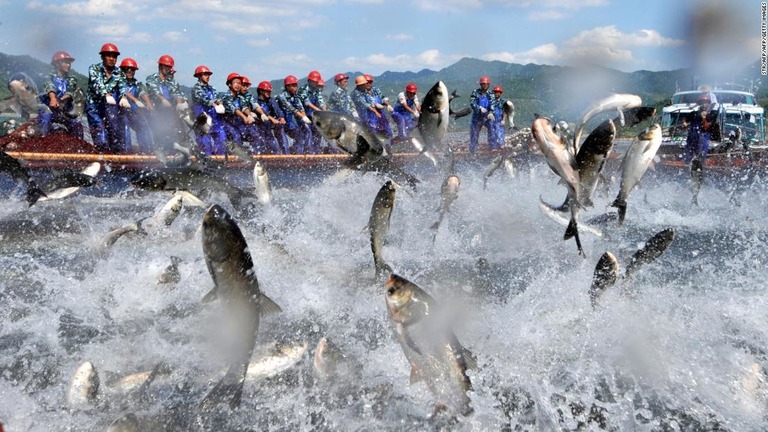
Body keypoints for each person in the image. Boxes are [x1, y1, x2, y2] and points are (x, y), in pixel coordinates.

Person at [86, 43, 127, 153]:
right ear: (102, 57)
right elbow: (97, 83)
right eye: (109, 56)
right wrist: (106, 94)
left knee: (115, 132)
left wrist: (124, 97)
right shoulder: (94, 68)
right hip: (94, 106)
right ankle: (101, 157)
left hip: (109, 107)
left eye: (114, 57)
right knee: (100, 134)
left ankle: (116, 159)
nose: (112, 59)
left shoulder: (119, 73)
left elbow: (123, 85)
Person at [145, 54, 187, 153]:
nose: (168, 69)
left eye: (170, 67)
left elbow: (177, 93)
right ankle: (158, 152)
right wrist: (162, 99)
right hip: (155, 110)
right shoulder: (151, 78)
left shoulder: (170, 81)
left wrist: (179, 103)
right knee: (159, 132)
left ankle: (173, 153)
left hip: (169, 111)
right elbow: (154, 90)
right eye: (166, 66)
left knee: (175, 130)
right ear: (160, 66)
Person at [38, 50, 83, 139]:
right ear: (57, 64)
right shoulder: (47, 76)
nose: (69, 65)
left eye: (69, 63)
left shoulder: (72, 78)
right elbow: (49, 86)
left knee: (76, 123)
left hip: (66, 111)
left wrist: (61, 101)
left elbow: (70, 91)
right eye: (66, 62)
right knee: (45, 119)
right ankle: (43, 141)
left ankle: (79, 144)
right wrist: (53, 99)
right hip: (49, 109)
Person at [118, 58, 154, 153]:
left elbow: (143, 93)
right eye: (127, 69)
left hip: (133, 111)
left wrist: (148, 103)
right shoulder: (118, 80)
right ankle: (126, 152)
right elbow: (125, 91)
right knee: (125, 128)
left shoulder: (137, 83)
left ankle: (146, 150)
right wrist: (135, 100)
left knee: (143, 125)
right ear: (123, 70)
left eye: (132, 70)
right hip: (121, 112)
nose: (130, 72)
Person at [190, 65, 227, 155]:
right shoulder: (196, 88)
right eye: (205, 74)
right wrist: (214, 105)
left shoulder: (212, 88)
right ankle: (206, 162)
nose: (208, 76)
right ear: (199, 76)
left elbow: (218, 97)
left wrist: (220, 105)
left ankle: (221, 161)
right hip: (202, 120)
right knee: (205, 143)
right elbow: (204, 99)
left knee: (222, 140)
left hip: (215, 120)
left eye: (208, 74)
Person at [277, 75, 312, 154]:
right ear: (287, 87)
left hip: (289, 123)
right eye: (293, 86)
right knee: (284, 142)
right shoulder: (281, 96)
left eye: (296, 85)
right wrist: (303, 116)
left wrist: (305, 117)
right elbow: (291, 108)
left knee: (300, 135)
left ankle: (297, 153)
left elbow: (300, 108)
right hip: (280, 122)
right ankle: (285, 157)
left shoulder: (296, 97)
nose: (295, 88)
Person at [220, 72, 255, 150]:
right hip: (226, 124)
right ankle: (236, 158)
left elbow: (244, 107)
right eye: (235, 83)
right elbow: (234, 109)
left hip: (237, 123)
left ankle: (254, 156)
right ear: (229, 84)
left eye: (239, 83)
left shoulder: (240, 97)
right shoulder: (226, 96)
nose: (238, 85)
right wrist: (244, 117)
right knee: (236, 136)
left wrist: (249, 115)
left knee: (252, 133)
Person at [682, 93, 719, 166]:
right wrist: (684, 123)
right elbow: (685, 118)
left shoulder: (711, 115)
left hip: (703, 139)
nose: (704, 104)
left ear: (708, 104)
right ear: (699, 104)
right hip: (691, 138)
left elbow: (707, 127)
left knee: (700, 157)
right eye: (702, 102)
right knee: (687, 158)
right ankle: (685, 172)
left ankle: (699, 171)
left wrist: (704, 118)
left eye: (705, 102)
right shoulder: (694, 113)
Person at [298, 70, 328, 153]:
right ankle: (306, 153)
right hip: (302, 115)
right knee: (307, 132)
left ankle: (316, 151)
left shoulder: (317, 90)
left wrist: (324, 110)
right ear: (310, 81)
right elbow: (307, 103)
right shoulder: (303, 89)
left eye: (317, 81)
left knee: (318, 131)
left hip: (312, 115)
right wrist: (318, 109)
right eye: (315, 81)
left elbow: (320, 101)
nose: (316, 83)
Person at [254, 81, 284, 154]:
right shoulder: (255, 101)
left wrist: (281, 117)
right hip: (260, 126)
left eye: (269, 91)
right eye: (266, 91)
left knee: (281, 131)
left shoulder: (271, 100)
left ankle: (285, 154)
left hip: (269, 125)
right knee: (265, 142)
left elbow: (277, 109)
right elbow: (263, 111)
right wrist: (272, 118)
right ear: (261, 91)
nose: (269, 92)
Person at [469, 75, 496, 153]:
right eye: (483, 84)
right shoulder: (475, 92)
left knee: (492, 128)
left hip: (487, 116)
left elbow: (493, 103)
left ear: (489, 84)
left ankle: (492, 148)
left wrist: (491, 112)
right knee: (474, 133)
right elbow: (472, 103)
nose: (485, 85)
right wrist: (479, 108)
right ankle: (473, 151)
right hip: (477, 116)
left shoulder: (491, 93)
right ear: (480, 84)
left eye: (487, 84)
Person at [364, 74, 393, 140]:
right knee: (374, 133)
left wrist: (388, 104)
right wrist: (375, 104)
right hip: (370, 116)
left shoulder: (375, 90)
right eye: (367, 82)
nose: (368, 84)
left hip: (380, 114)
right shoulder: (361, 93)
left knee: (387, 131)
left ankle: (389, 147)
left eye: (370, 82)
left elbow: (383, 98)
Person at [488, 85, 507, 149]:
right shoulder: (490, 101)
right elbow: (487, 110)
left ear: (500, 93)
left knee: (500, 134)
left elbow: (505, 112)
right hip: (491, 121)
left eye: (498, 92)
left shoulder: (503, 101)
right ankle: (493, 148)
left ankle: (501, 147)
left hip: (499, 121)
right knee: (492, 134)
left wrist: (504, 120)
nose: (496, 93)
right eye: (495, 92)